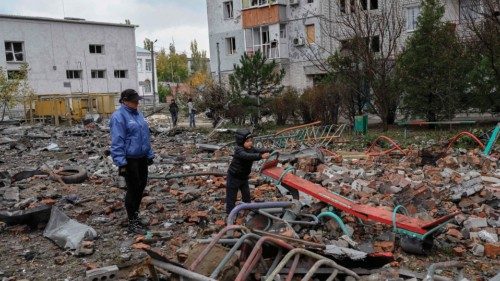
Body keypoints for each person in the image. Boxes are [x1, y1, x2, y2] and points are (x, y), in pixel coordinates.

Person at [110, 89, 154, 234]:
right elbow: (117, 141)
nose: (137, 103)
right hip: (129, 160)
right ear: (124, 100)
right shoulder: (119, 117)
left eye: (137, 101)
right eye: (134, 101)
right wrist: (121, 162)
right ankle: (132, 222)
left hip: (141, 157)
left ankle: (136, 216)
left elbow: (145, 136)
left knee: (141, 188)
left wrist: (149, 154)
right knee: (133, 189)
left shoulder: (138, 115)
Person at [226, 129, 273, 214]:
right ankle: (230, 213)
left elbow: (259, 150)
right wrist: (261, 156)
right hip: (234, 177)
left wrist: (269, 150)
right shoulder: (239, 150)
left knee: (246, 195)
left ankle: (247, 210)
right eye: (247, 141)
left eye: (251, 140)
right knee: (231, 197)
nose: (250, 143)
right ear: (241, 142)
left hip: (244, 177)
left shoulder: (251, 148)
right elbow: (247, 156)